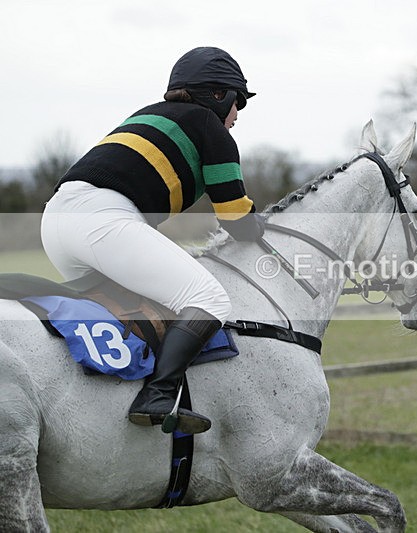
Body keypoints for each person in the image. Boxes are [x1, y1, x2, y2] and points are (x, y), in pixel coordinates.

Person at [41, 47, 263, 434]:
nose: (238, 114)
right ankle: (159, 395)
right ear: (218, 95)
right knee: (208, 299)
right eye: (238, 101)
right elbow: (236, 219)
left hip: (55, 221)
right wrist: (263, 226)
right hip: (102, 220)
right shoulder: (209, 127)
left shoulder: (146, 114)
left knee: (144, 307)